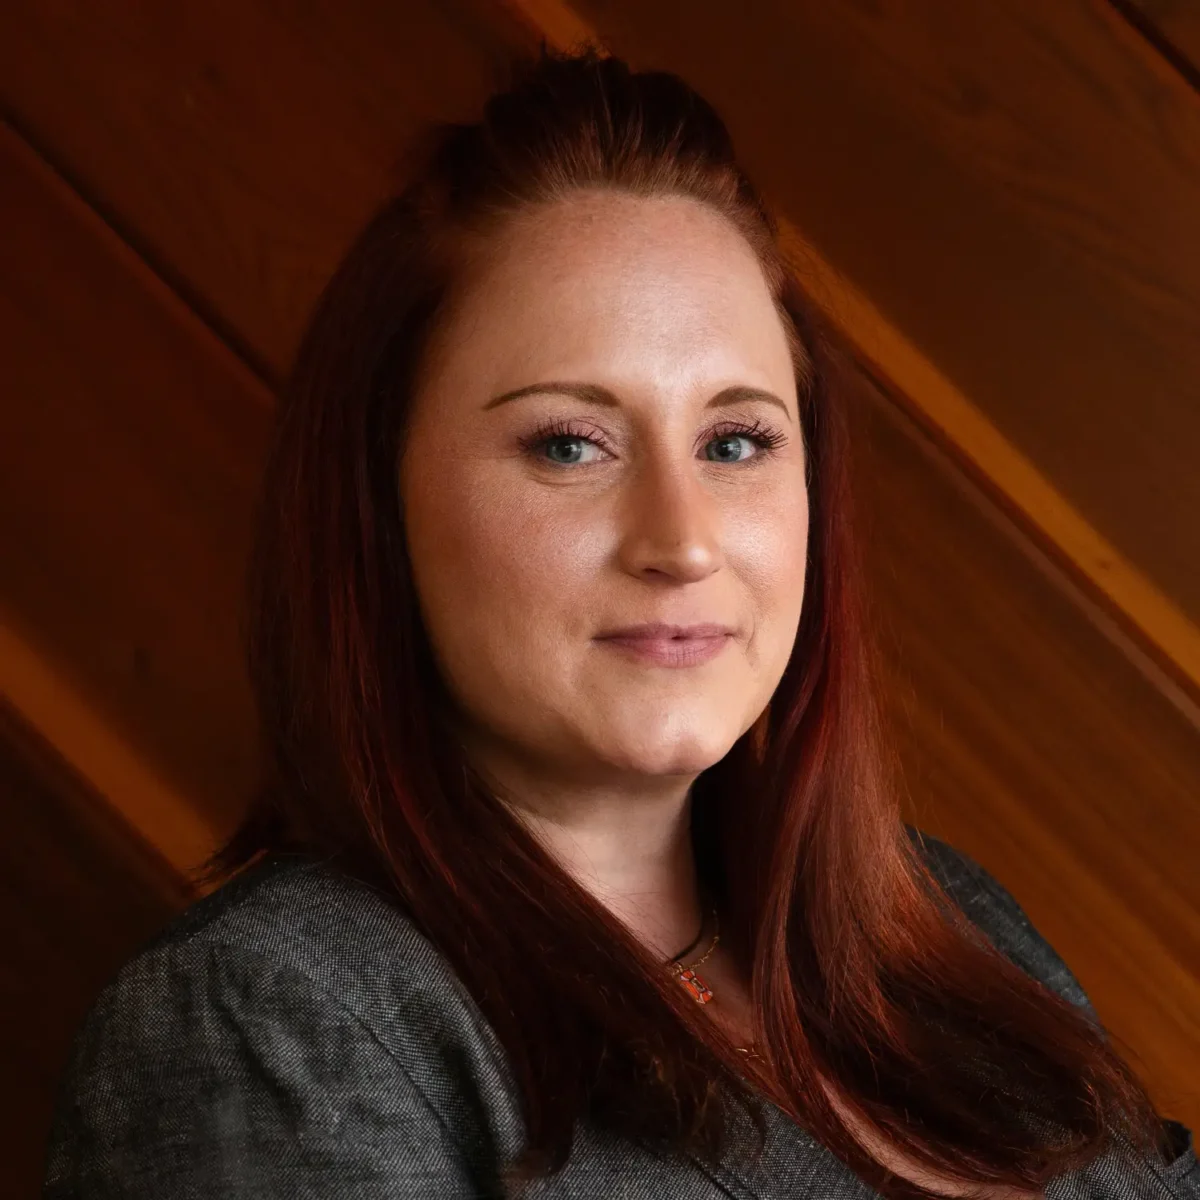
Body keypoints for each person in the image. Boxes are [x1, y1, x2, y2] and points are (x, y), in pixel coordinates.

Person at [42, 44, 1196, 1200]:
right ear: (376, 500)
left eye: (736, 442)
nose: (683, 541)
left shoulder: (945, 925)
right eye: (568, 444)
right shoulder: (266, 1021)